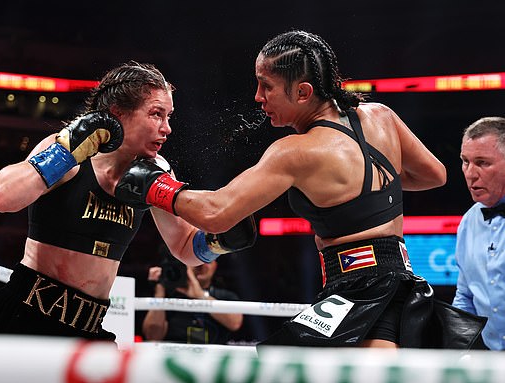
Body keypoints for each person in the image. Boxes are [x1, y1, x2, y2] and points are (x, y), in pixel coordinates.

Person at [117, 30, 487, 349]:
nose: (258, 97)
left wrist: (153, 185)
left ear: (303, 91)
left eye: (267, 86)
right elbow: (434, 174)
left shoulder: (296, 151)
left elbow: (216, 212)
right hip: (396, 282)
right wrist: (363, 188)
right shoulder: (380, 116)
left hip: (362, 290)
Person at [0, 61, 257, 342]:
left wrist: (218, 242)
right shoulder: (69, 153)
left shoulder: (156, 170)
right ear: (118, 113)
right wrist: (66, 151)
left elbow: (184, 247)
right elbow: (3, 198)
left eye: (169, 116)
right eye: (157, 114)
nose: (167, 128)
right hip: (26, 316)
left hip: (89, 327)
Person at [452, 116, 505, 351]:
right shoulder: (469, 222)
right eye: (465, 161)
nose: (470, 174)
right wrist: (456, 349)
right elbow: (465, 296)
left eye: (482, 163)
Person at [142, 245, 243, 344]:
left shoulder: (225, 296)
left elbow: (235, 323)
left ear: (215, 266)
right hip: (173, 356)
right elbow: (152, 336)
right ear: (185, 264)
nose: (201, 265)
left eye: (208, 260)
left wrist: (200, 295)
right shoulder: (169, 295)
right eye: (197, 261)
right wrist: (159, 292)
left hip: (213, 357)